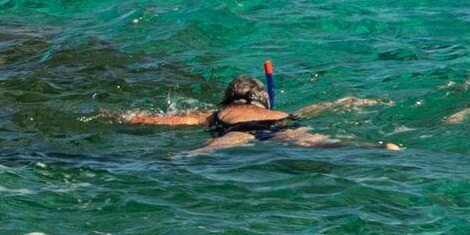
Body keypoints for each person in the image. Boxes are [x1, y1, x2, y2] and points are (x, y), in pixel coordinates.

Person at [116, 75, 391, 153]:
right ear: (263, 99)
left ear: (228, 98)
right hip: (281, 125)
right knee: (320, 143)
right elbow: (317, 108)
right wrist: (349, 102)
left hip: (238, 132)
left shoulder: (218, 112)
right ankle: (375, 147)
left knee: (198, 153)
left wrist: (131, 118)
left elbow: (172, 119)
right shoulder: (280, 111)